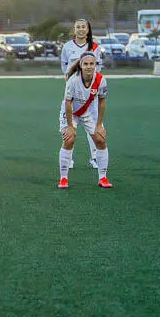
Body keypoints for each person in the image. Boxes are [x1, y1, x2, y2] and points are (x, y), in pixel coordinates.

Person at [57, 51, 112, 189]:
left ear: (96, 65)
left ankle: (103, 177)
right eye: (85, 64)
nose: (89, 66)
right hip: (70, 112)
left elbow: (102, 102)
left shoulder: (101, 80)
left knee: (100, 139)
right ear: (80, 65)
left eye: (91, 64)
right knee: (69, 139)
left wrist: (99, 125)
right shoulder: (73, 80)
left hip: (88, 112)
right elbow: (68, 103)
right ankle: (63, 178)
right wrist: (70, 126)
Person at [59, 18, 104, 170]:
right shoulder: (67, 47)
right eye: (78, 27)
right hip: (73, 93)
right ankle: (68, 159)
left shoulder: (95, 47)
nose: (81, 29)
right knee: (70, 125)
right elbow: (64, 67)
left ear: (88, 29)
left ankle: (96, 158)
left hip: (90, 94)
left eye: (83, 27)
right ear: (74, 29)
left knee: (94, 124)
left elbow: (98, 69)